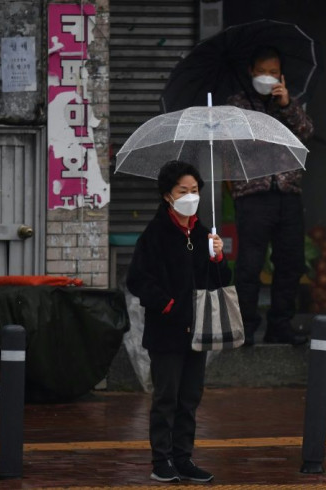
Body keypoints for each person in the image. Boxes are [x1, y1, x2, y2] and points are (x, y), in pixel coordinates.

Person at [126, 160, 231, 484]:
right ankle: (162, 461)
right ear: (167, 196)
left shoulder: (203, 234)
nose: (190, 196)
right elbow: (137, 279)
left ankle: (183, 458)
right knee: (166, 397)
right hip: (167, 331)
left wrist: (218, 257)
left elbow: (220, 282)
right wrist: (167, 304)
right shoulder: (155, 234)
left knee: (189, 398)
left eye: (195, 190)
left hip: (197, 329)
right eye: (182, 191)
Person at [226, 45, 314, 346]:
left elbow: (306, 133)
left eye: (273, 72)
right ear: (252, 72)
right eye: (262, 72)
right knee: (250, 264)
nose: (267, 77)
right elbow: (234, 147)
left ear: (282, 76)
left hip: (288, 192)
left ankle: (281, 325)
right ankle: (246, 327)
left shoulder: (290, 104)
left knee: (290, 262)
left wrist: (286, 105)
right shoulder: (237, 105)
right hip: (253, 194)